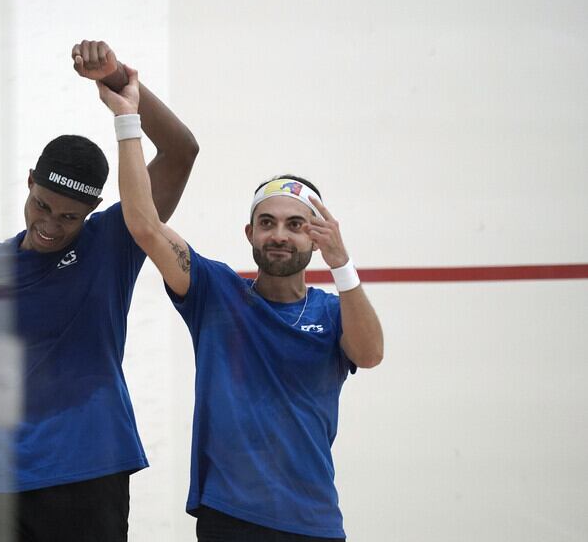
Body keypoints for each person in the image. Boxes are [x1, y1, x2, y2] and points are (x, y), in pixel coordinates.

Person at [0, 41, 198, 542]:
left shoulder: (114, 240)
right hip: (0, 488)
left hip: (91, 475)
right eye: (41, 205)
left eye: (69, 217)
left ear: (91, 212)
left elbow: (182, 151)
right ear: (29, 182)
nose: (49, 225)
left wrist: (119, 87)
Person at [96, 66, 383, 541]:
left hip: (314, 523)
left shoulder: (333, 313)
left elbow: (370, 354)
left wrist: (342, 263)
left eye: (296, 225)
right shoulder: (215, 293)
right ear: (250, 233)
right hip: (228, 520)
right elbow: (144, 224)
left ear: (314, 238)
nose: (279, 235)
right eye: (267, 222)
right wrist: (128, 118)